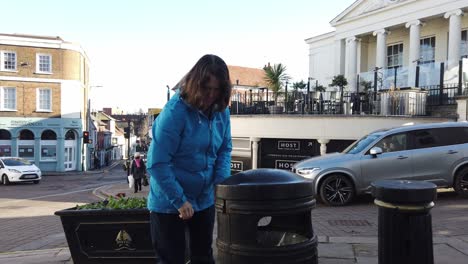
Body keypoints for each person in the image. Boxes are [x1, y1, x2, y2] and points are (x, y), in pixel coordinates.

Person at [146, 54, 232, 264]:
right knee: (172, 260)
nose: (211, 95)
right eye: (207, 89)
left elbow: (224, 149)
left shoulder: (221, 111)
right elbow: (157, 163)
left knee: (203, 257)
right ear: (195, 84)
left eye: (217, 89)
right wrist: (179, 200)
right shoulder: (175, 113)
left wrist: (220, 183)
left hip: (204, 199)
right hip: (170, 203)